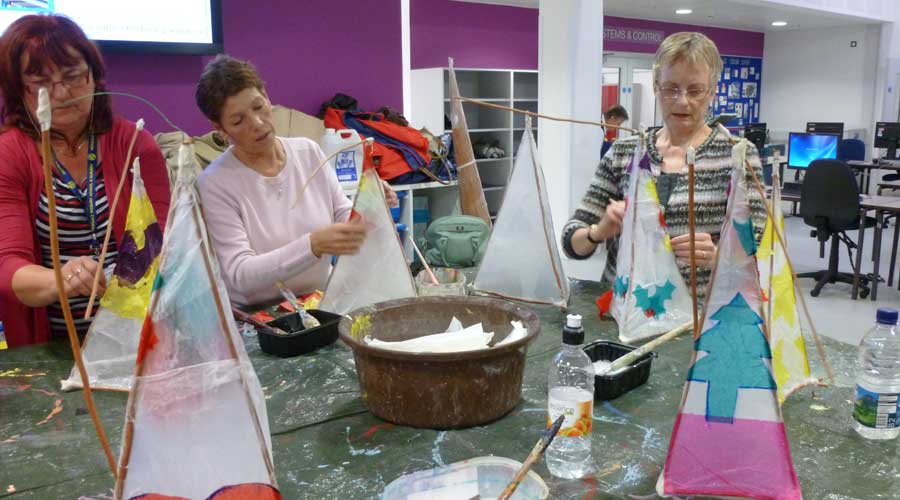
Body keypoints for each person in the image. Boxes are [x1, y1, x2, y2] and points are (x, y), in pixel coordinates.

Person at [0, 15, 171, 347]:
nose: (61, 93)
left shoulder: (135, 144)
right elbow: (8, 266)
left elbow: (163, 243)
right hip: (55, 345)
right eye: (40, 82)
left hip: (137, 336)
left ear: (94, 76)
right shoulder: (9, 155)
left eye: (73, 76)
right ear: (19, 89)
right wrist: (60, 279)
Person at [562, 32, 766, 299]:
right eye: (671, 88)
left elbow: (757, 247)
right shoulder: (624, 153)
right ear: (656, 87)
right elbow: (571, 242)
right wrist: (598, 231)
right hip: (624, 310)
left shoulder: (738, 155)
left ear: (712, 92)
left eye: (695, 90)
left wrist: (718, 256)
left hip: (700, 313)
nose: (682, 101)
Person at [196, 55, 398, 306]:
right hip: (261, 316)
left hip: (319, 303)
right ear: (220, 128)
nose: (257, 123)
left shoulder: (308, 152)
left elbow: (344, 216)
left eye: (258, 107)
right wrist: (312, 246)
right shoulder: (215, 182)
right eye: (238, 121)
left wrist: (371, 205)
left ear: (267, 96)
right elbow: (240, 274)